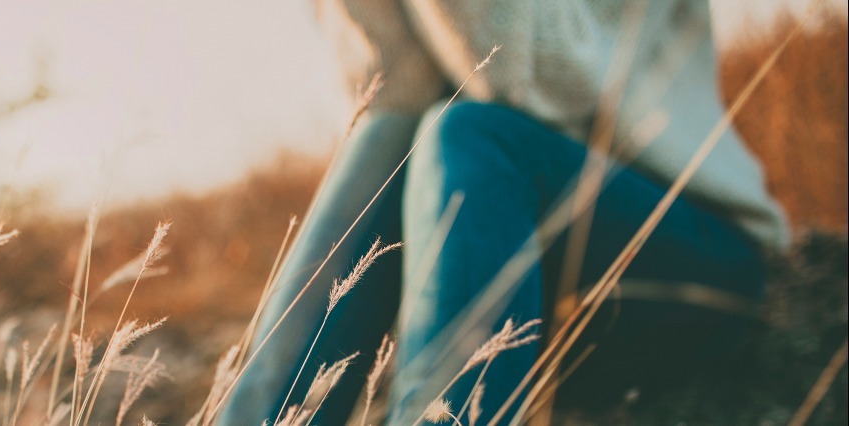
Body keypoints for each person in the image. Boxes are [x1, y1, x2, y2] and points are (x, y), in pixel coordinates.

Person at [219, 1, 789, 424]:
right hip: (528, 273)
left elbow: (539, 83)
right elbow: (399, 93)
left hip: (691, 255)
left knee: (465, 134)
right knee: (387, 138)